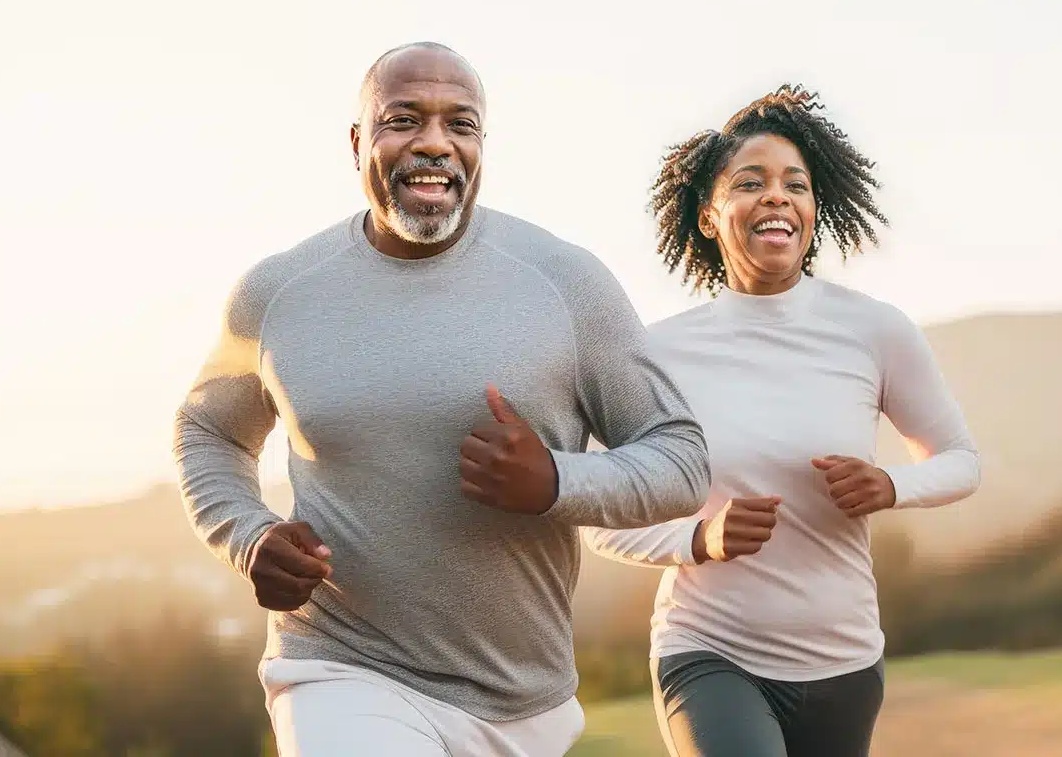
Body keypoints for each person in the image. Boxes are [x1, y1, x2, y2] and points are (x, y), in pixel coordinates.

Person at [172, 42, 710, 757]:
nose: (434, 143)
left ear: (482, 145)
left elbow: (681, 460)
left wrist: (557, 481)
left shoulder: (565, 282)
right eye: (403, 120)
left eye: (460, 123)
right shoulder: (278, 293)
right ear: (357, 142)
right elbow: (209, 430)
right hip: (338, 666)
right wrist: (248, 536)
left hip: (523, 700)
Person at [582, 83, 982, 757]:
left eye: (795, 185)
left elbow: (960, 461)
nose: (776, 196)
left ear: (813, 210)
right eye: (750, 183)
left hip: (845, 664)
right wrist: (699, 538)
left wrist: (891, 485)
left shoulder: (874, 330)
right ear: (709, 217)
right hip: (709, 652)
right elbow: (596, 509)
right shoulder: (659, 353)